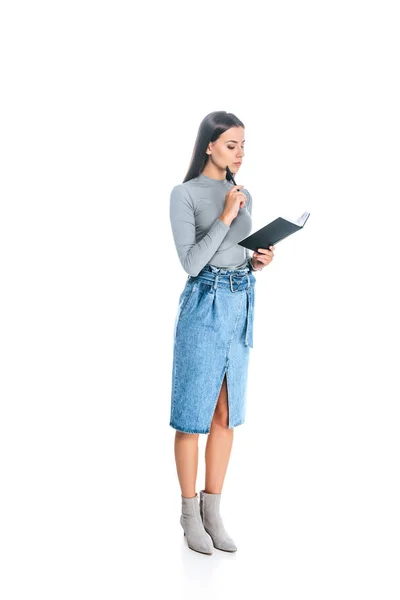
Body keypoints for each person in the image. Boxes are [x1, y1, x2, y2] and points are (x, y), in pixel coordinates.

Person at [169, 111, 275, 554]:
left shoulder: (241, 192)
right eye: (232, 144)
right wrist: (228, 215)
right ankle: (189, 513)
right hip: (204, 303)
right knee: (194, 414)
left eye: (244, 145)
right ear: (209, 145)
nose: (240, 153)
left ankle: (214, 512)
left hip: (240, 298)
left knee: (225, 414)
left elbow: (235, 252)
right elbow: (192, 263)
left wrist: (257, 262)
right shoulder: (184, 194)